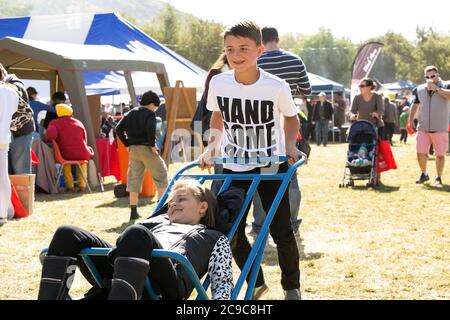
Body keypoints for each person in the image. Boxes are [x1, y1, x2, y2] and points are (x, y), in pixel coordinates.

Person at [199, 21, 305, 300]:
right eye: (230, 49)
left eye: (243, 48)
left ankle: (291, 288)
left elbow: (291, 117)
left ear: (259, 50)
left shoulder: (276, 85)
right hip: (235, 162)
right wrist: (212, 147)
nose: (236, 54)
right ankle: (256, 282)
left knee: (281, 229)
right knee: (228, 227)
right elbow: (218, 115)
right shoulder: (219, 82)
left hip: (271, 162)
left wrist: (291, 145)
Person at [37, 179, 233, 300]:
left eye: (181, 199)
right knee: (67, 233)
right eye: (171, 201)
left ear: (203, 207)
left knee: (136, 233)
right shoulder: (155, 222)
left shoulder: (214, 238)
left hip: (166, 285)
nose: (173, 204)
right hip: (124, 271)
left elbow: (223, 283)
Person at [250, 26, 311, 236]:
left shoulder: (255, 61)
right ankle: (292, 222)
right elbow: (307, 91)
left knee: (259, 174)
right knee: (290, 175)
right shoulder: (295, 60)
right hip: (287, 122)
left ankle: (259, 225)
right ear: (277, 38)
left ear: (260, 41)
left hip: (258, 126)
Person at [116, 90, 169, 221]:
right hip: (147, 148)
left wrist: (127, 144)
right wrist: (152, 145)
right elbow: (150, 130)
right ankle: (159, 210)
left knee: (134, 180)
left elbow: (118, 128)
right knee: (161, 176)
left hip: (133, 150)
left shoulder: (131, 112)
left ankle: (133, 211)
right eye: (155, 106)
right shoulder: (150, 114)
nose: (155, 108)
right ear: (152, 103)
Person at [410, 66, 450, 185]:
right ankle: (424, 173)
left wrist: (436, 88)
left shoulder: (446, 85)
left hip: (440, 127)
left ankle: (438, 176)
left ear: (438, 74)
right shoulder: (419, 88)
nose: (430, 79)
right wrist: (410, 119)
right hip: (423, 126)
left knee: (440, 155)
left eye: (433, 76)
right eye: (427, 77)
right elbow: (415, 104)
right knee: (420, 152)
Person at [45, 104, 94, 192]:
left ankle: (69, 186)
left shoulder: (55, 123)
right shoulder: (79, 122)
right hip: (83, 153)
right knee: (83, 162)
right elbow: (85, 139)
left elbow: (50, 135)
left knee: (66, 163)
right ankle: (82, 185)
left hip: (65, 154)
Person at [0, 63, 35, 175]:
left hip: (22, 132)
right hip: (6, 132)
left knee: (20, 169)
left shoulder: (13, 81)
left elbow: (16, 89)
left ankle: (25, 192)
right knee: (7, 171)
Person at [350, 77, 385, 185]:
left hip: (375, 126)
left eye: (362, 85)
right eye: (359, 86)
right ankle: (355, 172)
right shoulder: (357, 97)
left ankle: (377, 178)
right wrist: (352, 115)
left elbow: (381, 110)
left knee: (376, 152)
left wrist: (377, 114)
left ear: (369, 87)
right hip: (360, 127)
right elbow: (353, 110)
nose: (360, 87)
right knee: (359, 148)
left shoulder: (377, 97)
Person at [0, 77, 19, 224]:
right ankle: (3, 214)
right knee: (3, 176)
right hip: (4, 137)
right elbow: (13, 112)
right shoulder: (11, 92)